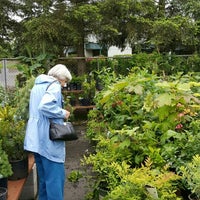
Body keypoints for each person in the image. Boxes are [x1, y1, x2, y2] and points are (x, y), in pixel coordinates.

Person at [24, 64, 72, 200]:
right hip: (48, 140)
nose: (64, 85)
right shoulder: (54, 85)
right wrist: (63, 113)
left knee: (44, 181)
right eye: (65, 81)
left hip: (35, 140)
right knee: (55, 182)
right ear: (59, 78)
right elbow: (45, 106)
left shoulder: (37, 86)